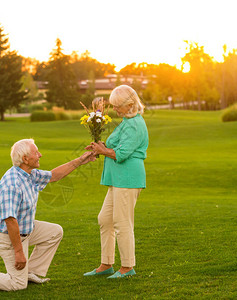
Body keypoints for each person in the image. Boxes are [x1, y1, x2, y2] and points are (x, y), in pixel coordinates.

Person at [0, 139, 95, 293]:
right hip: (8, 238)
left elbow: (54, 175)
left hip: (27, 230)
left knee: (54, 232)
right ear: (25, 159)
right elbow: (10, 221)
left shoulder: (29, 174)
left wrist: (81, 160)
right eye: (36, 153)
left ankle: (30, 273)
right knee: (17, 285)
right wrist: (19, 252)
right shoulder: (12, 184)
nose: (40, 155)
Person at [84, 85, 149, 279]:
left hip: (128, 179)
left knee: (122, 223)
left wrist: (104, 151)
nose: (114, 110)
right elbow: (114, 146)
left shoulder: (136, 124)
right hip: (117, 179)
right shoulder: (126, 122)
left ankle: (128, 267)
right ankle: (107, 264)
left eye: (117, 106)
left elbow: (121, 153)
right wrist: (100, 147)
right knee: (105, 219)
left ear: (129, 105)